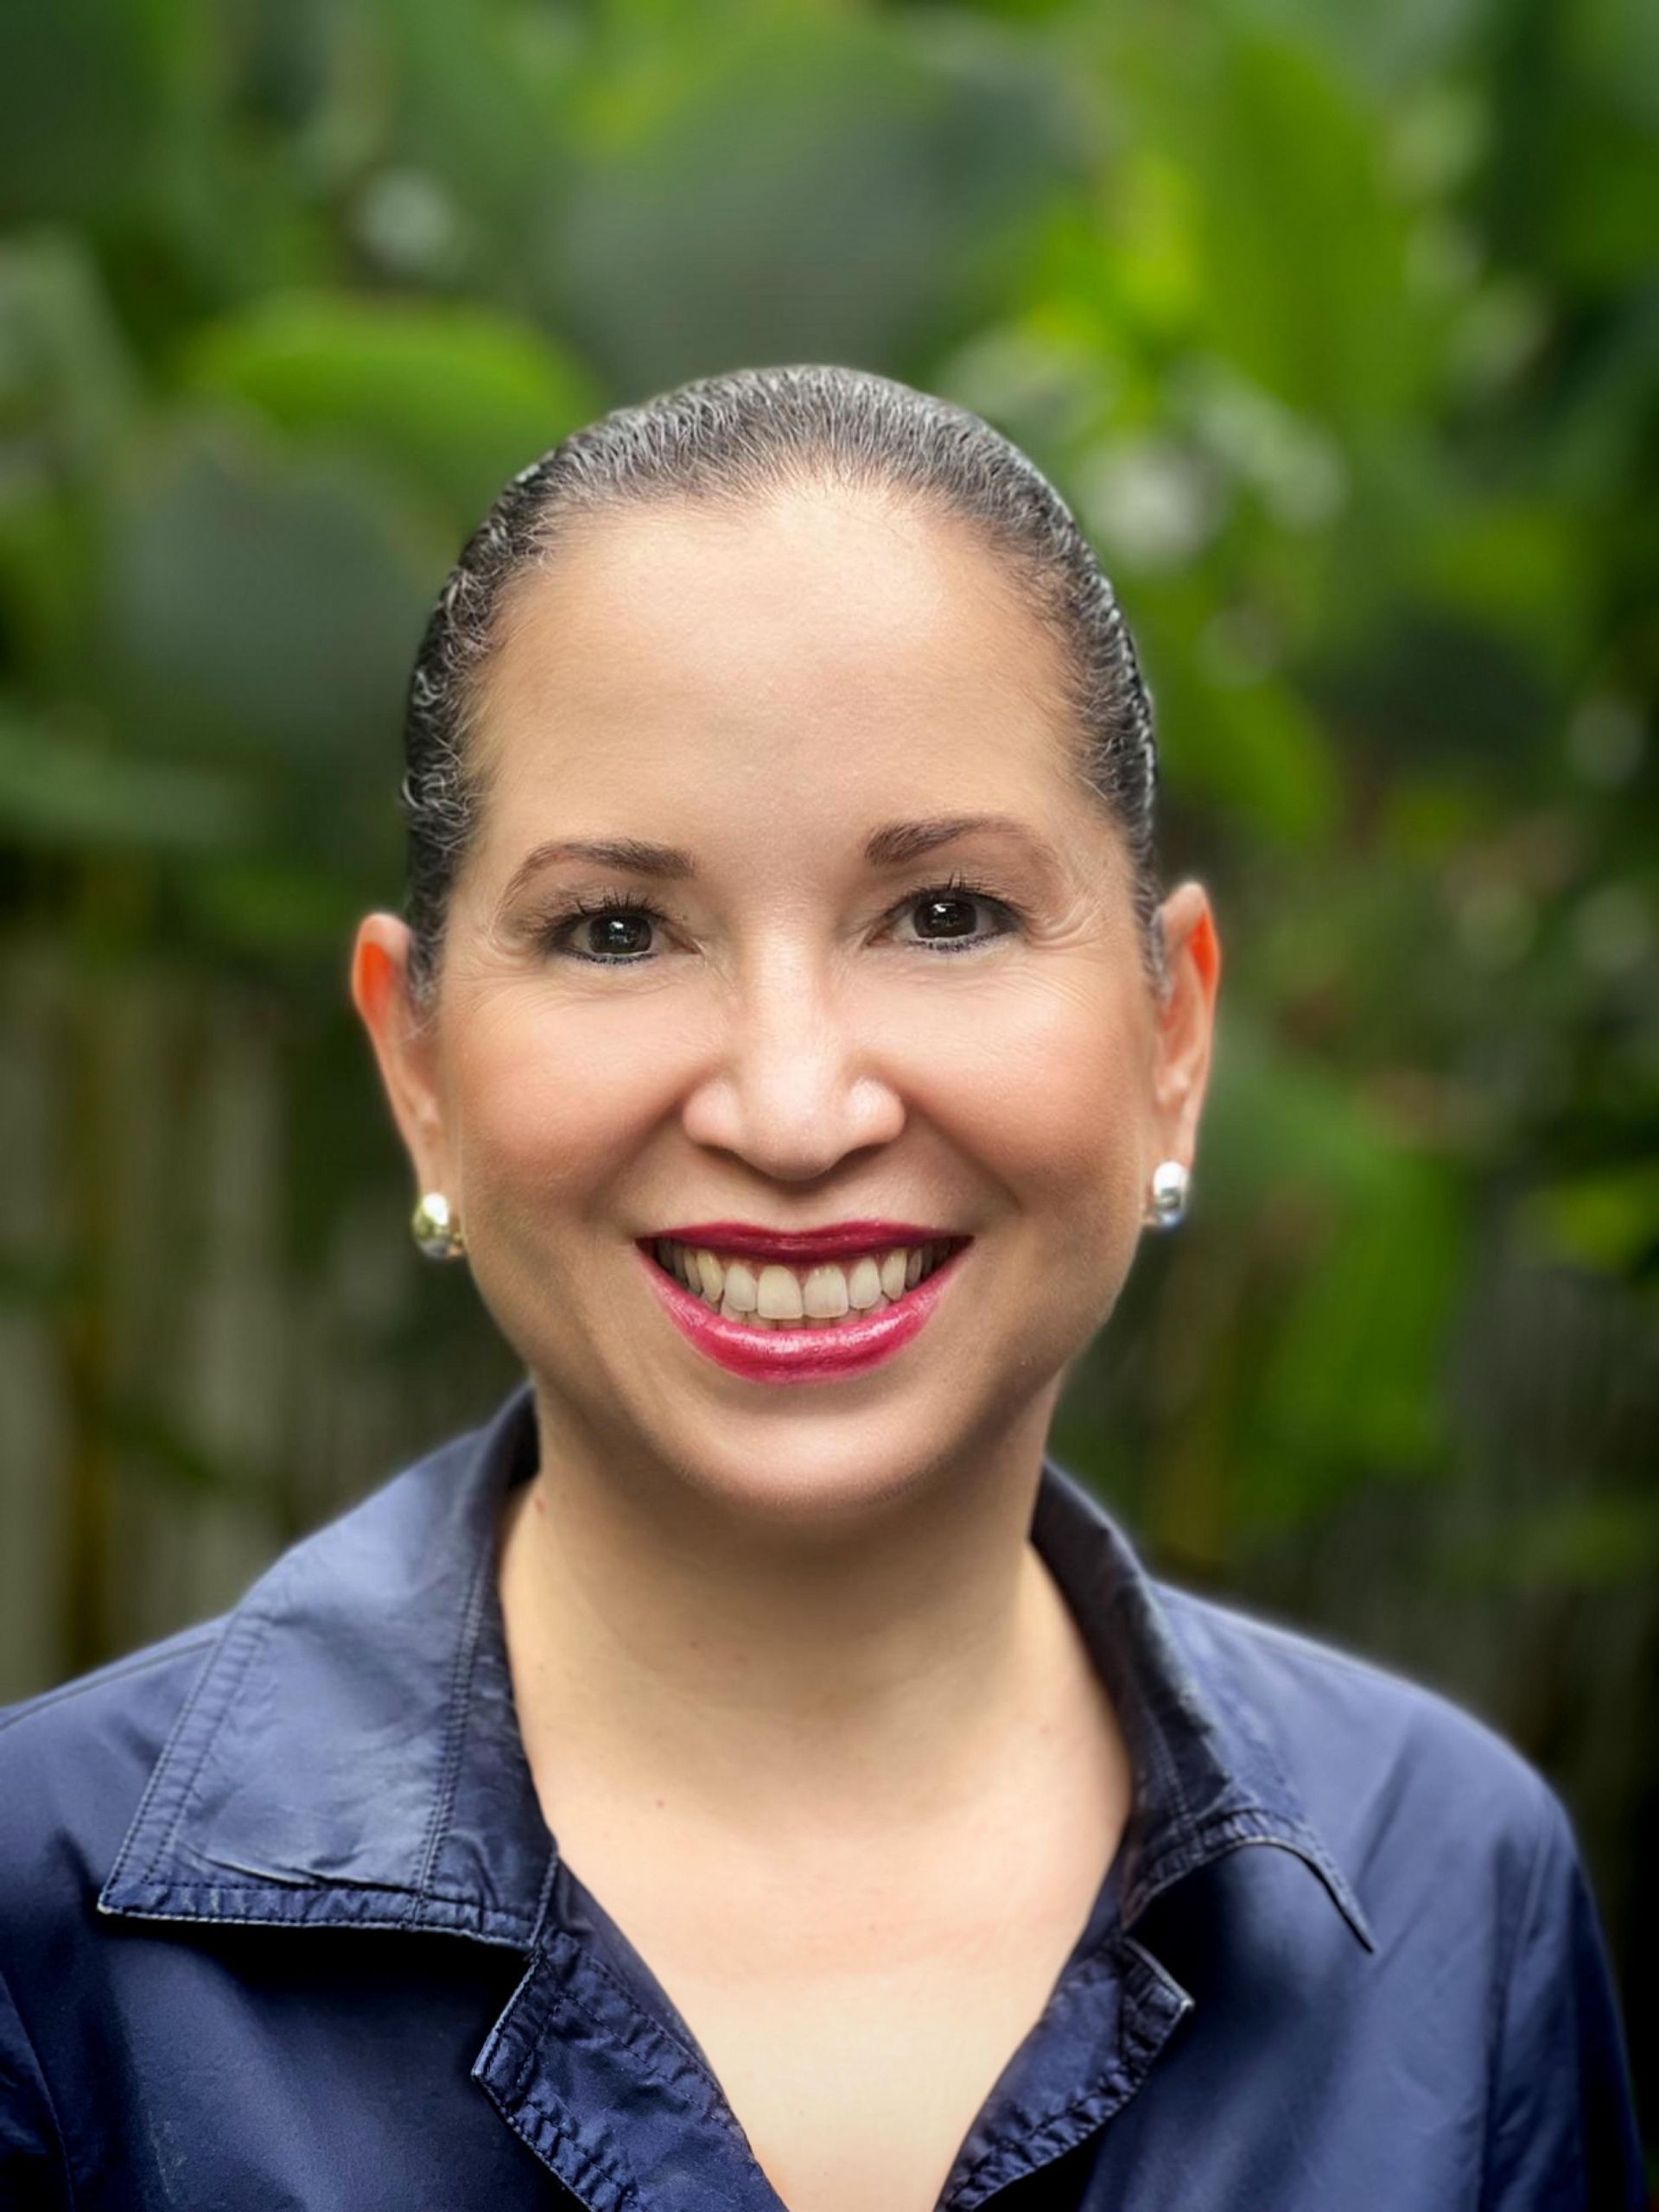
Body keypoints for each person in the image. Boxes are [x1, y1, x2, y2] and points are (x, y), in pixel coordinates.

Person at [0, 365, 1643, 2212]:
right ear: (423, 1072)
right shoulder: (48, 1929)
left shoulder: (1446, 1888)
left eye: (947, 912)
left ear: (1172, 1031)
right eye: (618, 929)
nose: (792, 1108)